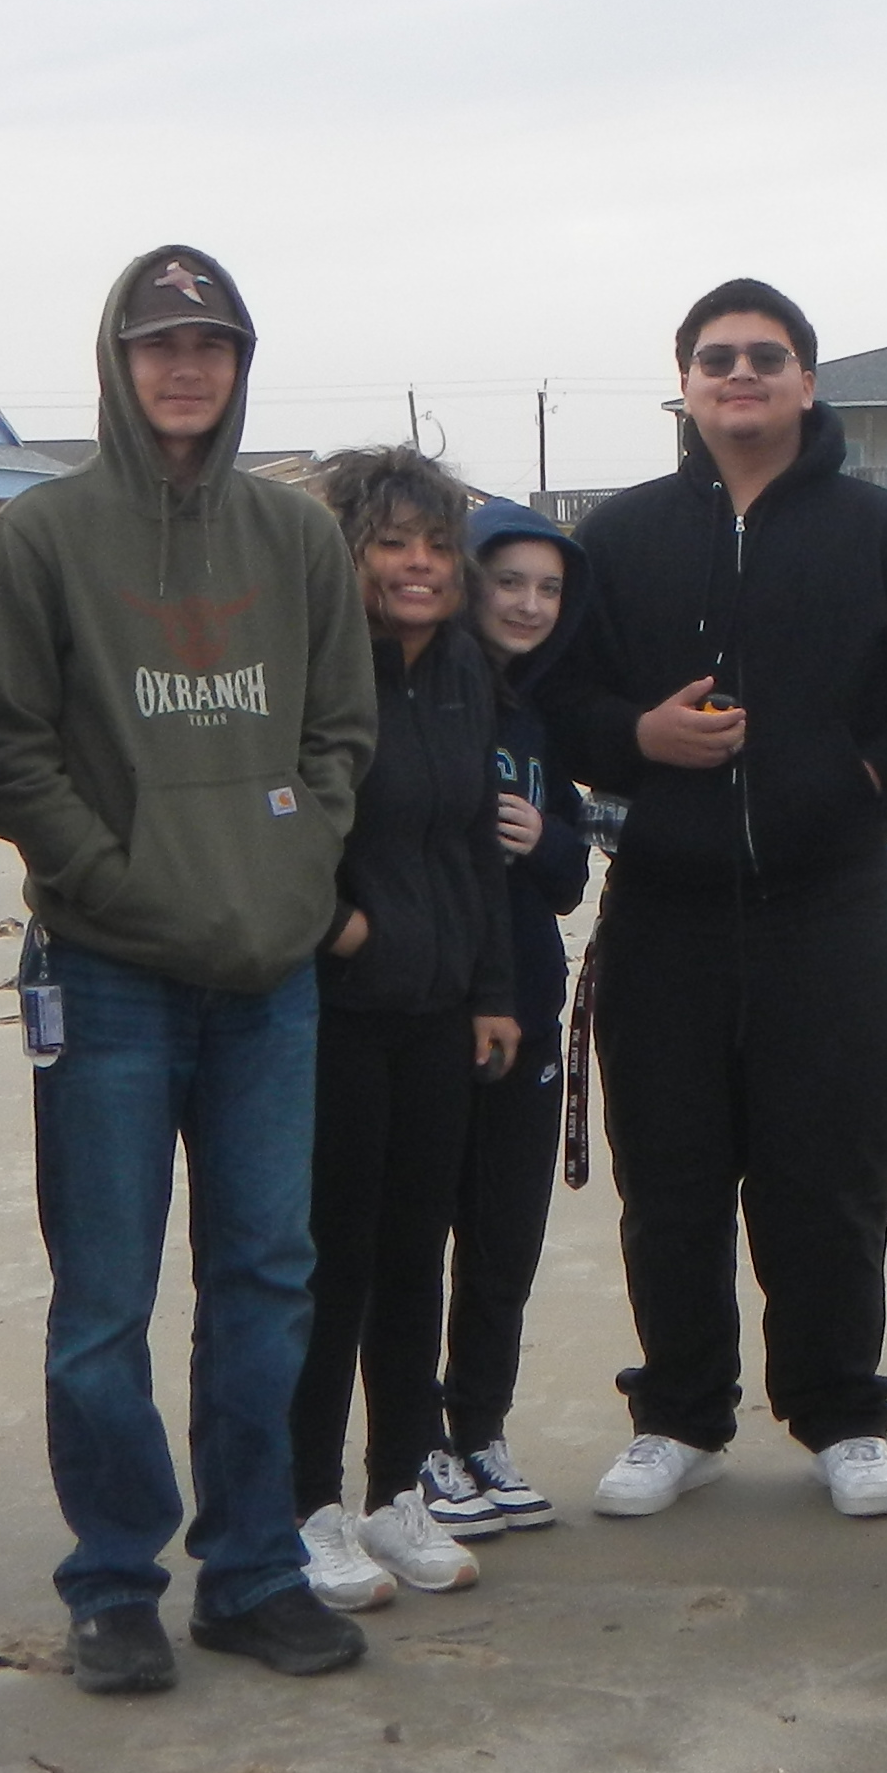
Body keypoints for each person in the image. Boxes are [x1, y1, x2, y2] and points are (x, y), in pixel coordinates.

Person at [0, 245, 379, 1692]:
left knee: (267, 1279)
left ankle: (254, 1569)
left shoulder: (299, 536)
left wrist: (295, 874)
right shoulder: (40, 538)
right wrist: (110, 876)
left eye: (210, 341)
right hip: (110, 976)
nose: (185, 365)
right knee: (104, 1301)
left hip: (271, 981)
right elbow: (4, 743)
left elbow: (341, 733)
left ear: (240, 359)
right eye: (160, 344)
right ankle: (114, 1582)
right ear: (117, 361)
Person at [542, 282, 887, 1520]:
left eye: (767, 358)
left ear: (807, 383)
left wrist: (862, 774)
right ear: (686, 381)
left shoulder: (886, 534)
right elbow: (557, 702)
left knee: (829, 1172)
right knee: (666, 1173)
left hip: (831, 905)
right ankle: (679, 1414)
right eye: (717, 359)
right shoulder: (620, 538)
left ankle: (839, 1413)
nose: (743, 376)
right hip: (662, 905)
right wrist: (637, 737)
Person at [290, 446, 515, 1606]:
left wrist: (492, 989)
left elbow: (474, 840)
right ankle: (310, 1506)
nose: (419, 564)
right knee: (333, 1265)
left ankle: (396, 1495)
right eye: (394, 543)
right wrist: (334, 927)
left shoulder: (466, 675)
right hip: (333, 1016)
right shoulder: (322, 670)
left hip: (438, 1013)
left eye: (436, 543)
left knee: (416, 1258)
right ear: (354, 555)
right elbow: (270, 809)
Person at [419, 499, 593, 1542]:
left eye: (548, 588)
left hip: (530, 1004)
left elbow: (570, 868)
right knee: (416, 1239)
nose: (527, 604)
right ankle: (417, 1447)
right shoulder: (419, 694)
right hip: (429, 1010)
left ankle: (479, 1426)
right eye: (510, 581)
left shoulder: (536, 715)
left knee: (504, 1241)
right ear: (469, 580)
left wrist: (542, 839)